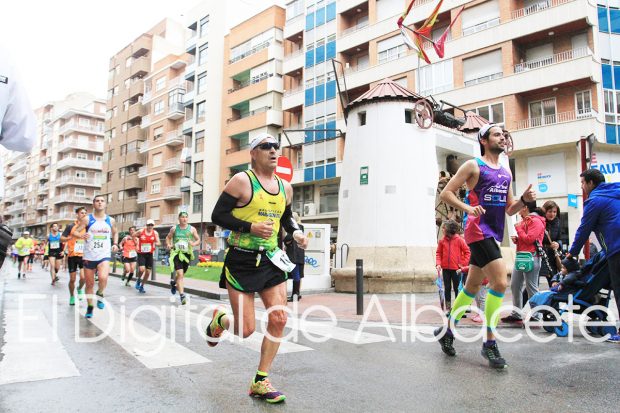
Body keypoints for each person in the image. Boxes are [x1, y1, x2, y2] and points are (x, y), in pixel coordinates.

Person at [205, 133, 308, 403]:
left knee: (279, 318)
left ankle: (261, 380)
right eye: (266, 147)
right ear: (253, 153)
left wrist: (295, 233)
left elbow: (287, 217)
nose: (273, 151)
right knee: (245, 330)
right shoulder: (241, 181)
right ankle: (221, 321)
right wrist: (249, 227)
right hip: (241, 259)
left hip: (272, 259)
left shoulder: (286, 187)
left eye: (276, 146)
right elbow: (217, 216)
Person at [435, 124, 536, 369]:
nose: (502, 138)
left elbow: (509, 208)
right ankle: (489, 343)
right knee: (500, 282)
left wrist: (523, 201)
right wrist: (469, 209)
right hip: (478, 231)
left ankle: (447, 331)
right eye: (497, 135)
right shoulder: (473, 166)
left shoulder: (506, 171)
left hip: (494, 233)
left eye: (504, 135)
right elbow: (446, 194)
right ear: (484, 140)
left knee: (470, 287)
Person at [567, 169, 620, 343]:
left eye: (583, 183)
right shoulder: (615, 193)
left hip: (617, 249)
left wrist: (572, 253)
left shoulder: (595, 201)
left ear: (591, 183)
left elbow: (584, 230)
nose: (582, 187)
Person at [73, 195, 118, 318]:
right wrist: (81, 236)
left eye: (102, 201)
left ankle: (100, 293)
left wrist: (115, 244)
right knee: (89, 284)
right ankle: (90, 307)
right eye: (97, 201)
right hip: (89, 255)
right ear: (93, 204)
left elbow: (115, 233)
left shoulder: (110, 220)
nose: (99, 203)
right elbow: (75, 231)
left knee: (103, 278)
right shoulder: (87, 219)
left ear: (105, 204)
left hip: (104, 255)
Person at [501, 201, 546, 323]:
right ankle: (517, 313)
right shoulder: (526, 220)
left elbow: (530, 239)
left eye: (519, 207)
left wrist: (519, 229)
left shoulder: (536, 221)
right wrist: (518, 239)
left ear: (525, 207)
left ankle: (537, 315)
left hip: (532, 257)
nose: (517, 210)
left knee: (531, 287)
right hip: (522, 256)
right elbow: (526, 239)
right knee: (515, 285)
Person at [435, 220, 470, 312]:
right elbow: (438, 253)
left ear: (449, 230)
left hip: (457, 270)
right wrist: (438, 263)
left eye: (444, 228)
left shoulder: (459, 240)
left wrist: (462, 264)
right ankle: (448, 308)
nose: (442, 229)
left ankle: (458, 308)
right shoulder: (442, 241)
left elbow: (467, 252)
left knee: (457, 288)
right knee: (447, 288)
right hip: (445, 269)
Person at [165, 212, 199, 305]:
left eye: (186, 217)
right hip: (177, 253)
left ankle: (173, 283)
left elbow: (198, 240)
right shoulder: (174, 229)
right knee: (180, 274)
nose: (184, 219)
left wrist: (194, 244)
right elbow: (168, 238)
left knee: (181, 275)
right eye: (182, 217)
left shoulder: (192, 229)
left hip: (187, 254)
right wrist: (168, 244)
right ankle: (182, 296)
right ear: (179, 218)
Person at [61, 207, 87, 306]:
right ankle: (72, 296)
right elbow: (61, 239)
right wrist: (69, 238)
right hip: (72, 255)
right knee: (72, 279)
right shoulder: (70, 226)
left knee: (83, 277)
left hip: (84, 255)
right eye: (81, 213)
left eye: (85, 213)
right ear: (77, 215)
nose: (83, 215)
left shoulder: (88, 226)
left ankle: (79, 289)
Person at [133, 220, 161, 292]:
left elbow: (159, 242)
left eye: (152, 225)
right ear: (146, 225)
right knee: (142, 269)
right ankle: (138, 279)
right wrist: (136, 244)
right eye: (149, 225)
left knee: (148, 272)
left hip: (149, 253)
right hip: (141, 253)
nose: (150, 226)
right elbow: (133, 235)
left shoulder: (155, 233)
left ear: (153, 226)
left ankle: (142, 286)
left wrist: (156, 243)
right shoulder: (141, 231)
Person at [539, 200, 562, 285]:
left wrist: (558, 244)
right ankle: (526, 298)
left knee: (554, 282)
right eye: (550, 211)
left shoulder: (557, 223)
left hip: (551, 257)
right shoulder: (539, 222)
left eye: (554, 212)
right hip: (539, 255)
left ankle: (555, 298)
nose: (552, 214)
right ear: (544, 211)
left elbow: (559, 239)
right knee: (533, 284)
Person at [284, 212, 305, 302]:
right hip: (300, 254)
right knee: (298, 275)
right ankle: (297, 294)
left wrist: (285, 241)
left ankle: (295, 295)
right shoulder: (301, 227)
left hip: (293, 255)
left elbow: (287, 239)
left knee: (295, 275)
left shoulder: (294, 229)